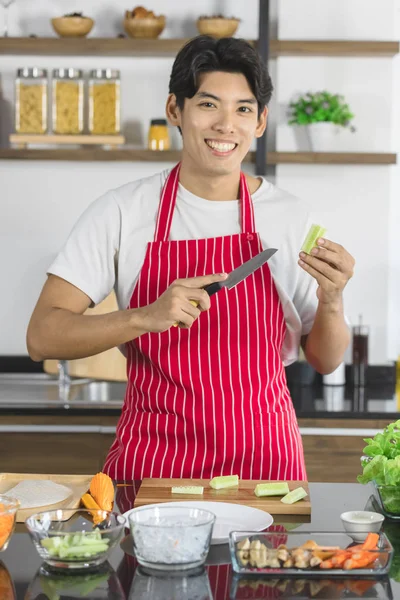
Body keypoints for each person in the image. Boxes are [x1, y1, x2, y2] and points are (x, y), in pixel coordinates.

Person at [27, 36, 355, 483]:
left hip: (264, 466)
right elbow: (43, 336)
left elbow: (326, 360)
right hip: (153, 465)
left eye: (243, 109)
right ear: (175, 110)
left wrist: (333, 300)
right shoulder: (123, 211)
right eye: (208, 104)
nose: (226, 125)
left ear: (260, 122)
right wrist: (143, 317)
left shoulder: (291, 217)